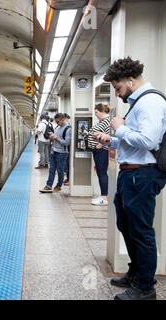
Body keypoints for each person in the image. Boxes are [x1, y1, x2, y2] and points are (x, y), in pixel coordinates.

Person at [94, 57, 166, 300]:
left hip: (142, 175)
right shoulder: (137, 103)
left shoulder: (151, 102)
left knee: (141, 230)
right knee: (126, 225)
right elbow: (135, 140)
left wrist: (118, 128)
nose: (117, 93)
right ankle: (135, 274)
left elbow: (149, 141)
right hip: (131, 174)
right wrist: (112, 140)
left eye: (118, 88)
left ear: (131, 81)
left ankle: (145, 288)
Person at [85, 104, 111, 205]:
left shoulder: (107, 121)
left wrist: (99, 145)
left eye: (96, 112)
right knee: (100, 172)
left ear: (101, 111)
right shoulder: (103, 121)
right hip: (98, 152)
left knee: (102, 173)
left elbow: (108, 134)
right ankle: (103, 195)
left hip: (102, 151)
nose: (95, 114)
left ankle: (105, 197)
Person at [39, 113, 71, 193]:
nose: (56, 123)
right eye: (56, 121)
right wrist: (52, 137)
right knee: (51, 169)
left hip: (62, 153)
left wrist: (56, 138)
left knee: (60, 170)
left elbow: (66, 143)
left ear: (62, 120)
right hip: (53, 151)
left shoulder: (68, 129)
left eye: (58, 121)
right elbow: (56, 138)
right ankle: (48, 186)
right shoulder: (57, 127)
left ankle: (59, 185)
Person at [63, 113, 71, 186]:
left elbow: (67, 141)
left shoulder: (68, 127)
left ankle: (69, 179)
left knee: (69, 164)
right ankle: (68, 178)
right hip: (66, 149)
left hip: (68, 149)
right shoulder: (66, 127)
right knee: (67, 164)